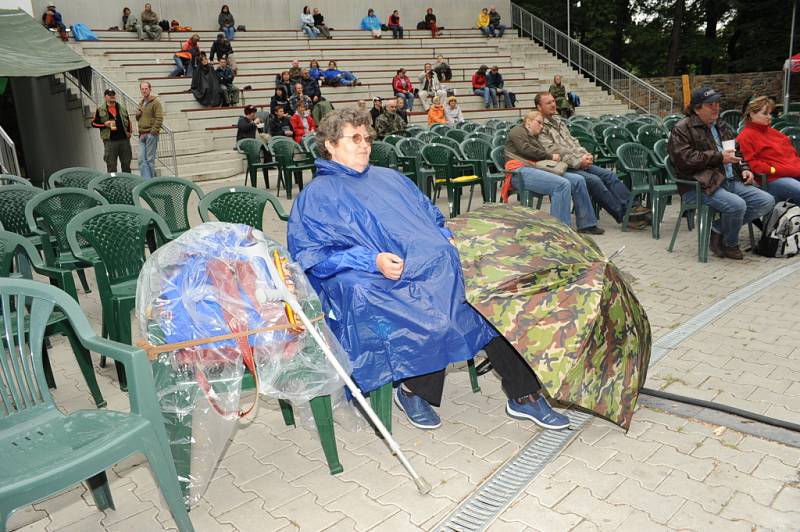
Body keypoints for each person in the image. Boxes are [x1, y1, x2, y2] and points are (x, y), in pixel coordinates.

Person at [287, 108, 570, 432]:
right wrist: (372, 261)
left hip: (427, 269)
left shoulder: (389, 178)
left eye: (367, 138)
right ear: (330, 145)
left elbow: (431, 217)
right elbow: (314, 257)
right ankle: (413, 390)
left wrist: (447, 238)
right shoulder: (317, 196)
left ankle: (525, 394)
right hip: (375, 283)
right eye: (354, 139)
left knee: (487, 302)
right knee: (438, 309)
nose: (364, 145)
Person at [669, 87, 775, 259]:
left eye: (717, 103)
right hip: (700, 185)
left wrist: (745, 169)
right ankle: (730, 243)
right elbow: (685, 159)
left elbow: (736, 152)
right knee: (737, 205)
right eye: (710, 104)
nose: (716, 107)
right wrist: (718, 157)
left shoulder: (721, 124)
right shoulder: (682, 128)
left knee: (766, 201)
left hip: (728, 180)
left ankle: (717, 229)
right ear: (697, 108)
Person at [536, 92, 648, 229]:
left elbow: (573, 142)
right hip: (561, 166)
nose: (553, 104)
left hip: (578, 160)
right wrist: (579, 161)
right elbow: (553, 151)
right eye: (548, 103)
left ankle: (634, 207)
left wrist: (585, 155)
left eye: (553, 101)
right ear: (539, 107)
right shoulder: (540, 126)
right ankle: (624, 216)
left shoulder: (558, 121)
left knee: (609, 175)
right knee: (595, 181)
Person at [505, 111, 603, 234]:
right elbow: (526, 150)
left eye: (542, 124)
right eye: (539, 123)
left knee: (578, 180)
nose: (541, 126)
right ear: (528, 121)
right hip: (519, 172)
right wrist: (550, 156)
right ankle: (560, 231)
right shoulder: (517, 131)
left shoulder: (535, 136)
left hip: (537, 169)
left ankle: (587, 224)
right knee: (562, 185)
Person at [738, 96, 800, 204]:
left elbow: (793, 155)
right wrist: (774, 170)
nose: (770, 117)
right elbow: (753, 165)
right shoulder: (745, 137)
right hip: (772, 180)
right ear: (752, 114)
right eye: (765, 113)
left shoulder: (776, 133)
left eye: (770, 113)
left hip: (793, 173)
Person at [92, 89, 132, 173]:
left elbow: (128, 121)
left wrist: (129, 132)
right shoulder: (100, 109)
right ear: (105, 97)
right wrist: (104, 125)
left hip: (124, 141)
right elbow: (93, 123)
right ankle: (113, 185)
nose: (112, 96)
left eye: (113, 94)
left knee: (126, 165)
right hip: (110, 142)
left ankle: (128, 184)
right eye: (109, 94)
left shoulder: (122, 108)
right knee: (111, 166)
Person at [135, 81, 163, 179]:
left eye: (146, 88)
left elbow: (159, 118)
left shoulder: (155, 102)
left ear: (150, 89)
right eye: (142, 89)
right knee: (141, 159)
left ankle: (152, 181)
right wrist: (138, 114)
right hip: (142, 135)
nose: (144, 91)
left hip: (151, 134)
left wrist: (153, 132)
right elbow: (139, 118)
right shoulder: (141, 103)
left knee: (150, 160)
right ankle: (147, 181)